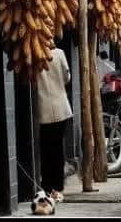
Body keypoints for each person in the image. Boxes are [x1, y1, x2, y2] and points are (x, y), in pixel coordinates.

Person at [36, 47, 73, 203]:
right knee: (57, 149)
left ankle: (47, 186)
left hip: (44, 109)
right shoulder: (59, 53)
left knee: (46, 151)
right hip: (61, 108)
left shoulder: (35, 55)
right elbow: (67, 77)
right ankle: (57, 188)